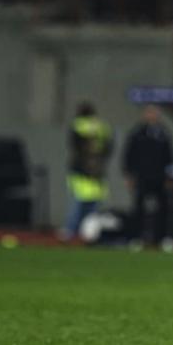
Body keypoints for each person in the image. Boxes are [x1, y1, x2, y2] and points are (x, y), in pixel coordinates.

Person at [122, 105, 173, 247]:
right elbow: (129, 155)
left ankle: (162, 238)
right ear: (145, 115)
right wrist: (129, 175)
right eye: (150, 113)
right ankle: (136, 238)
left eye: (155, 114)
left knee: (163, 208)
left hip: (160, 177)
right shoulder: (137, 134)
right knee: (138, 208)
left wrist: (170, 177)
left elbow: (170, 157)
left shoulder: (164, 134)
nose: (152, 116)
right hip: (142, 176)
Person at [63, 102, 113, 241]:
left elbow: (74, 145)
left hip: (82, 172)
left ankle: (70, 231)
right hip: (97, 173)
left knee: (78, 206)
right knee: (92, 209)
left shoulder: (77, 125)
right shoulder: (102, 126)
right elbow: (109, 147)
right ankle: (87, 233)